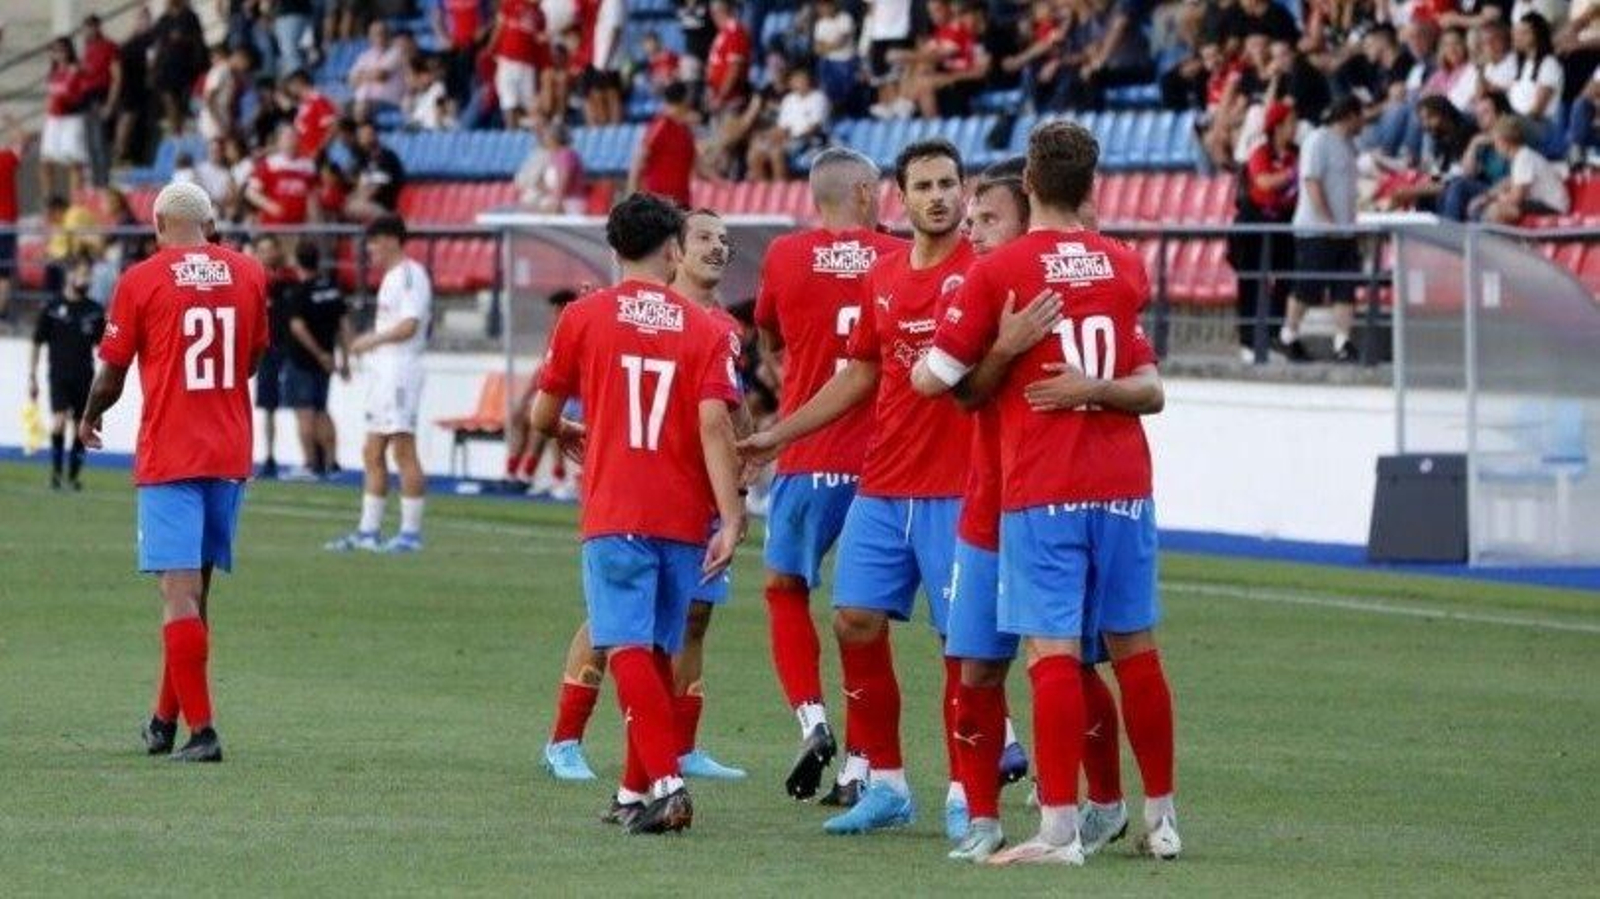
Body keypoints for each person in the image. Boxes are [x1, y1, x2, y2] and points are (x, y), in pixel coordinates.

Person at [921, 118, 1176, 865]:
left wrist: (993, 351)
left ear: (1028, 185)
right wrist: (1097, 388)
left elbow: (935, 380)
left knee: (1053, 653)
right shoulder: (1125, 266)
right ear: (1092, 189)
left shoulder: (999, 273)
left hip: (1042, 485)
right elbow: (1152, 387)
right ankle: (1160, 818)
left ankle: (1059, 828)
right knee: (1136, 652)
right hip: (1126, 485)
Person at [739, 139, 974, 835]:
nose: (937, 196)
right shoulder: (884, 275)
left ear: (961, 193)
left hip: (955, 486)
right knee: (853, 620)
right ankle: (889, 782)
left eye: (947, 184)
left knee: (961, 646)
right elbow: (860, 374)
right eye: (924, 185)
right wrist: (779, 434)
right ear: (897, 198)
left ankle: (968, 792)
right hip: (882, 481)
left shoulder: (981, 274)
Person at [527, 192, 745, 834]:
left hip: (616, 506)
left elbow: (541, 416)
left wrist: (566, 428)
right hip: (685, 513)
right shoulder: (708, 328)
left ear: (614, 250)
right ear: (675, 249)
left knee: (624, 645)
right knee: (654, 652)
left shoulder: (583, 316)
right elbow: (716, 425)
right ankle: (632, 790)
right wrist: (730, 518)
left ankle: (668, 782)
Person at [79, 180, 271, 764]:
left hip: (171, 453)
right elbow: (254, 357)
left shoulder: (140, 280)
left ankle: (204, 731)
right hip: (228, 450)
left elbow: (111, 374)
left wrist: (89, 416)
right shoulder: (249, 273)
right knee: (196, 593)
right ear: (209, 224)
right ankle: (165, 720)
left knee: (177, 593)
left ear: (159, 222)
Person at [746, 146, 905, 802]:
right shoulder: (901, 258)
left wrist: (793, 377)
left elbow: (765, 335)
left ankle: (813, 719)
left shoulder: (784, 256)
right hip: (884, 458)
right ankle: (863, 763)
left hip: (810, 454)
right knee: (864, 618)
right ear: (867, 193)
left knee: (786, 590)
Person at [326, 215, 431, 554]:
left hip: (401, 371)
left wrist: (370, 340)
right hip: (383, 374)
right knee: (372, 451)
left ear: (390, 240)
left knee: (403, 449)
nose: (369, 249)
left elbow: (410, 325)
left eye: (373, 242)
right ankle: (368, 531)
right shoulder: (391, 278)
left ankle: (410, 534)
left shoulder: (411, 275)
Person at [1284, 96, 1363, 363]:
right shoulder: (1318, 140)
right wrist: (1326, 219)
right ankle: (1289, 334)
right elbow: (1311, 181)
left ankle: (1343, 340)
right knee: (1308, 286)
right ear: (1350, 115)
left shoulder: (1349, 146)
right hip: (1317, 230)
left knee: (1345, 287)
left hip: (1345, 231)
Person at [28, 255, 106, 490]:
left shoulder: (94, 310)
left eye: (88, 275)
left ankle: (73, 477)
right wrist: (32, 376)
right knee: (59, 422)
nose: (86, 280)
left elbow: (104, 349)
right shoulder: (52, 308)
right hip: (59, 376)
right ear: (70, 276)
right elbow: (37, 342)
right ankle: (56, 473)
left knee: (79, 427)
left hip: (85, 377)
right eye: (82, 274)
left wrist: (103, 384)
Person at [1229, 102, 1298, 363]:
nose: (1295, 128)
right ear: (1278, 126)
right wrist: (1293, 174)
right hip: (1254, 224)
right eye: (1291, 123)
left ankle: (1274, 338)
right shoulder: (1260, 151)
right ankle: (1247, 341)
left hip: (1283, 225)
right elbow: (1264, 182)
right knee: (1251, 283)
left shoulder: (1295, 153)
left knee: (1285, 281)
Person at [283, 242, 350, 478]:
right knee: (322, 410)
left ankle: (310, 464)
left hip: (303, 361)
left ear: (297, 261)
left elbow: (297, 327)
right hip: (328, 360)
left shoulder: (299, 292)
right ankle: (332, 464)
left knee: (305, 413)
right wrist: (344, 359)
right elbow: (344, 325)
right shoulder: (331, 288)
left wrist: (317, 353)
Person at [251, 235, 297, 479]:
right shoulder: (255, 281)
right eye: (262, 250)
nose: (267, 254)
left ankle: (313, 459)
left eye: (271, 249)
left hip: (290, 349)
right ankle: (269, 456)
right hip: (267, 351)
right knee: (268, 407)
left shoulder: (288, 279)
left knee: (304, 405)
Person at [1473, 115, 1571, 221]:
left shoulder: (1523, 158)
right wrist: (1487, 196)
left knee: (1495, 210)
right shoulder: (1521, 156)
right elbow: (1508, 182)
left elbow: (1516, 198)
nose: (1495, 147)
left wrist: (1495, 199)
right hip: (1543, 203)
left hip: (1553, 207)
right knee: (1491, 207)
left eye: (1496, 143)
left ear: (1504, 142)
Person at [628, 81, 699, 208]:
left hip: (682, 202)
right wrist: (632, 201)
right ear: (685, 100)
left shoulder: (687, 130)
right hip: (659, 204)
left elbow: (696, 164)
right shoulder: (660, 126)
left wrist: (721, 183)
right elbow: (638, 162)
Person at [41, 36, 88, 199]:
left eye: (61, 50)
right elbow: (50, 95)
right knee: (46, 160)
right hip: (54, 119)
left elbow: (76, 94)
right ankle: (49, 198)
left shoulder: (75, 70)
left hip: (71, 118)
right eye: (55, 50)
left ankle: (76, 199)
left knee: (74, 161)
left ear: (68, 51)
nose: (58, 54)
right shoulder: (52, 73)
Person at [246, 124, 318, 230]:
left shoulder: (308, 165)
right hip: (273, 226)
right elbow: (250, 193)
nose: (291, 141)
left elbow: (312, 195)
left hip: (299, 226)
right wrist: (270, 205)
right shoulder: (269, 163)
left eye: (294, 137)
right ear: (279, 141)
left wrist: (314, 221)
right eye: (287, 137)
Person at [490, 0, 549, 126]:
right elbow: (499, 28)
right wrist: (491, 49)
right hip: (508, 60)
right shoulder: (511, 3)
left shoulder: (541, 15)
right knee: (509, 101)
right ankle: (512, 134)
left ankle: (533, 134)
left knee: (528, 103)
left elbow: (540, 44)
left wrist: (542, 69)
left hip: (528, 65)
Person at [514, 121, 587, 213]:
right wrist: (541, 186)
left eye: (547, 136)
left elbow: (562, 187)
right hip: (557, 201)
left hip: (569, 204)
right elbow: (552, 187)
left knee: (526, 210)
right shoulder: (555, 155)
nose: (545, 139)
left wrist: (553, 205)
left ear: (554, 138)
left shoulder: (566, 155)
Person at [345, 121, 407, 223]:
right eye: (361, 136)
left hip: (384, 208)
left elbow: (375, 189)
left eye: (366, 135)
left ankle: (391, 222)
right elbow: (361, 187)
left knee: (352, 207)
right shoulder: (366, 160)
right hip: (368, 206)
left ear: (374, 135)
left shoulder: (386, 157)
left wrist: (357, 200)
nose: (362, 139)